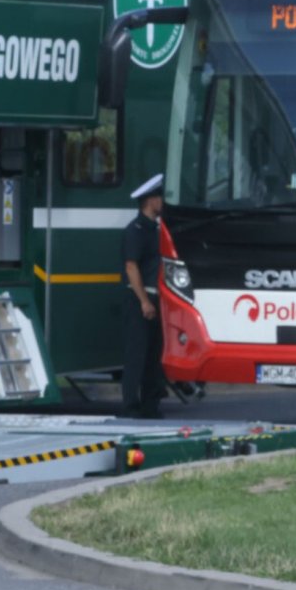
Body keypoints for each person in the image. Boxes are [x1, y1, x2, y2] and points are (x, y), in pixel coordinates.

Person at [121, 173, 167, 419]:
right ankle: (130, 405)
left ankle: (151, 404)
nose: (162, 202)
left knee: (154, 355)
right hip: (141, 299)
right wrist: (144, 302)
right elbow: (131, 267)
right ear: (150, 200)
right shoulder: (135, 230)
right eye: (160, 197)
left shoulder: (157, 230)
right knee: (136, 354)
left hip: (158, 300)